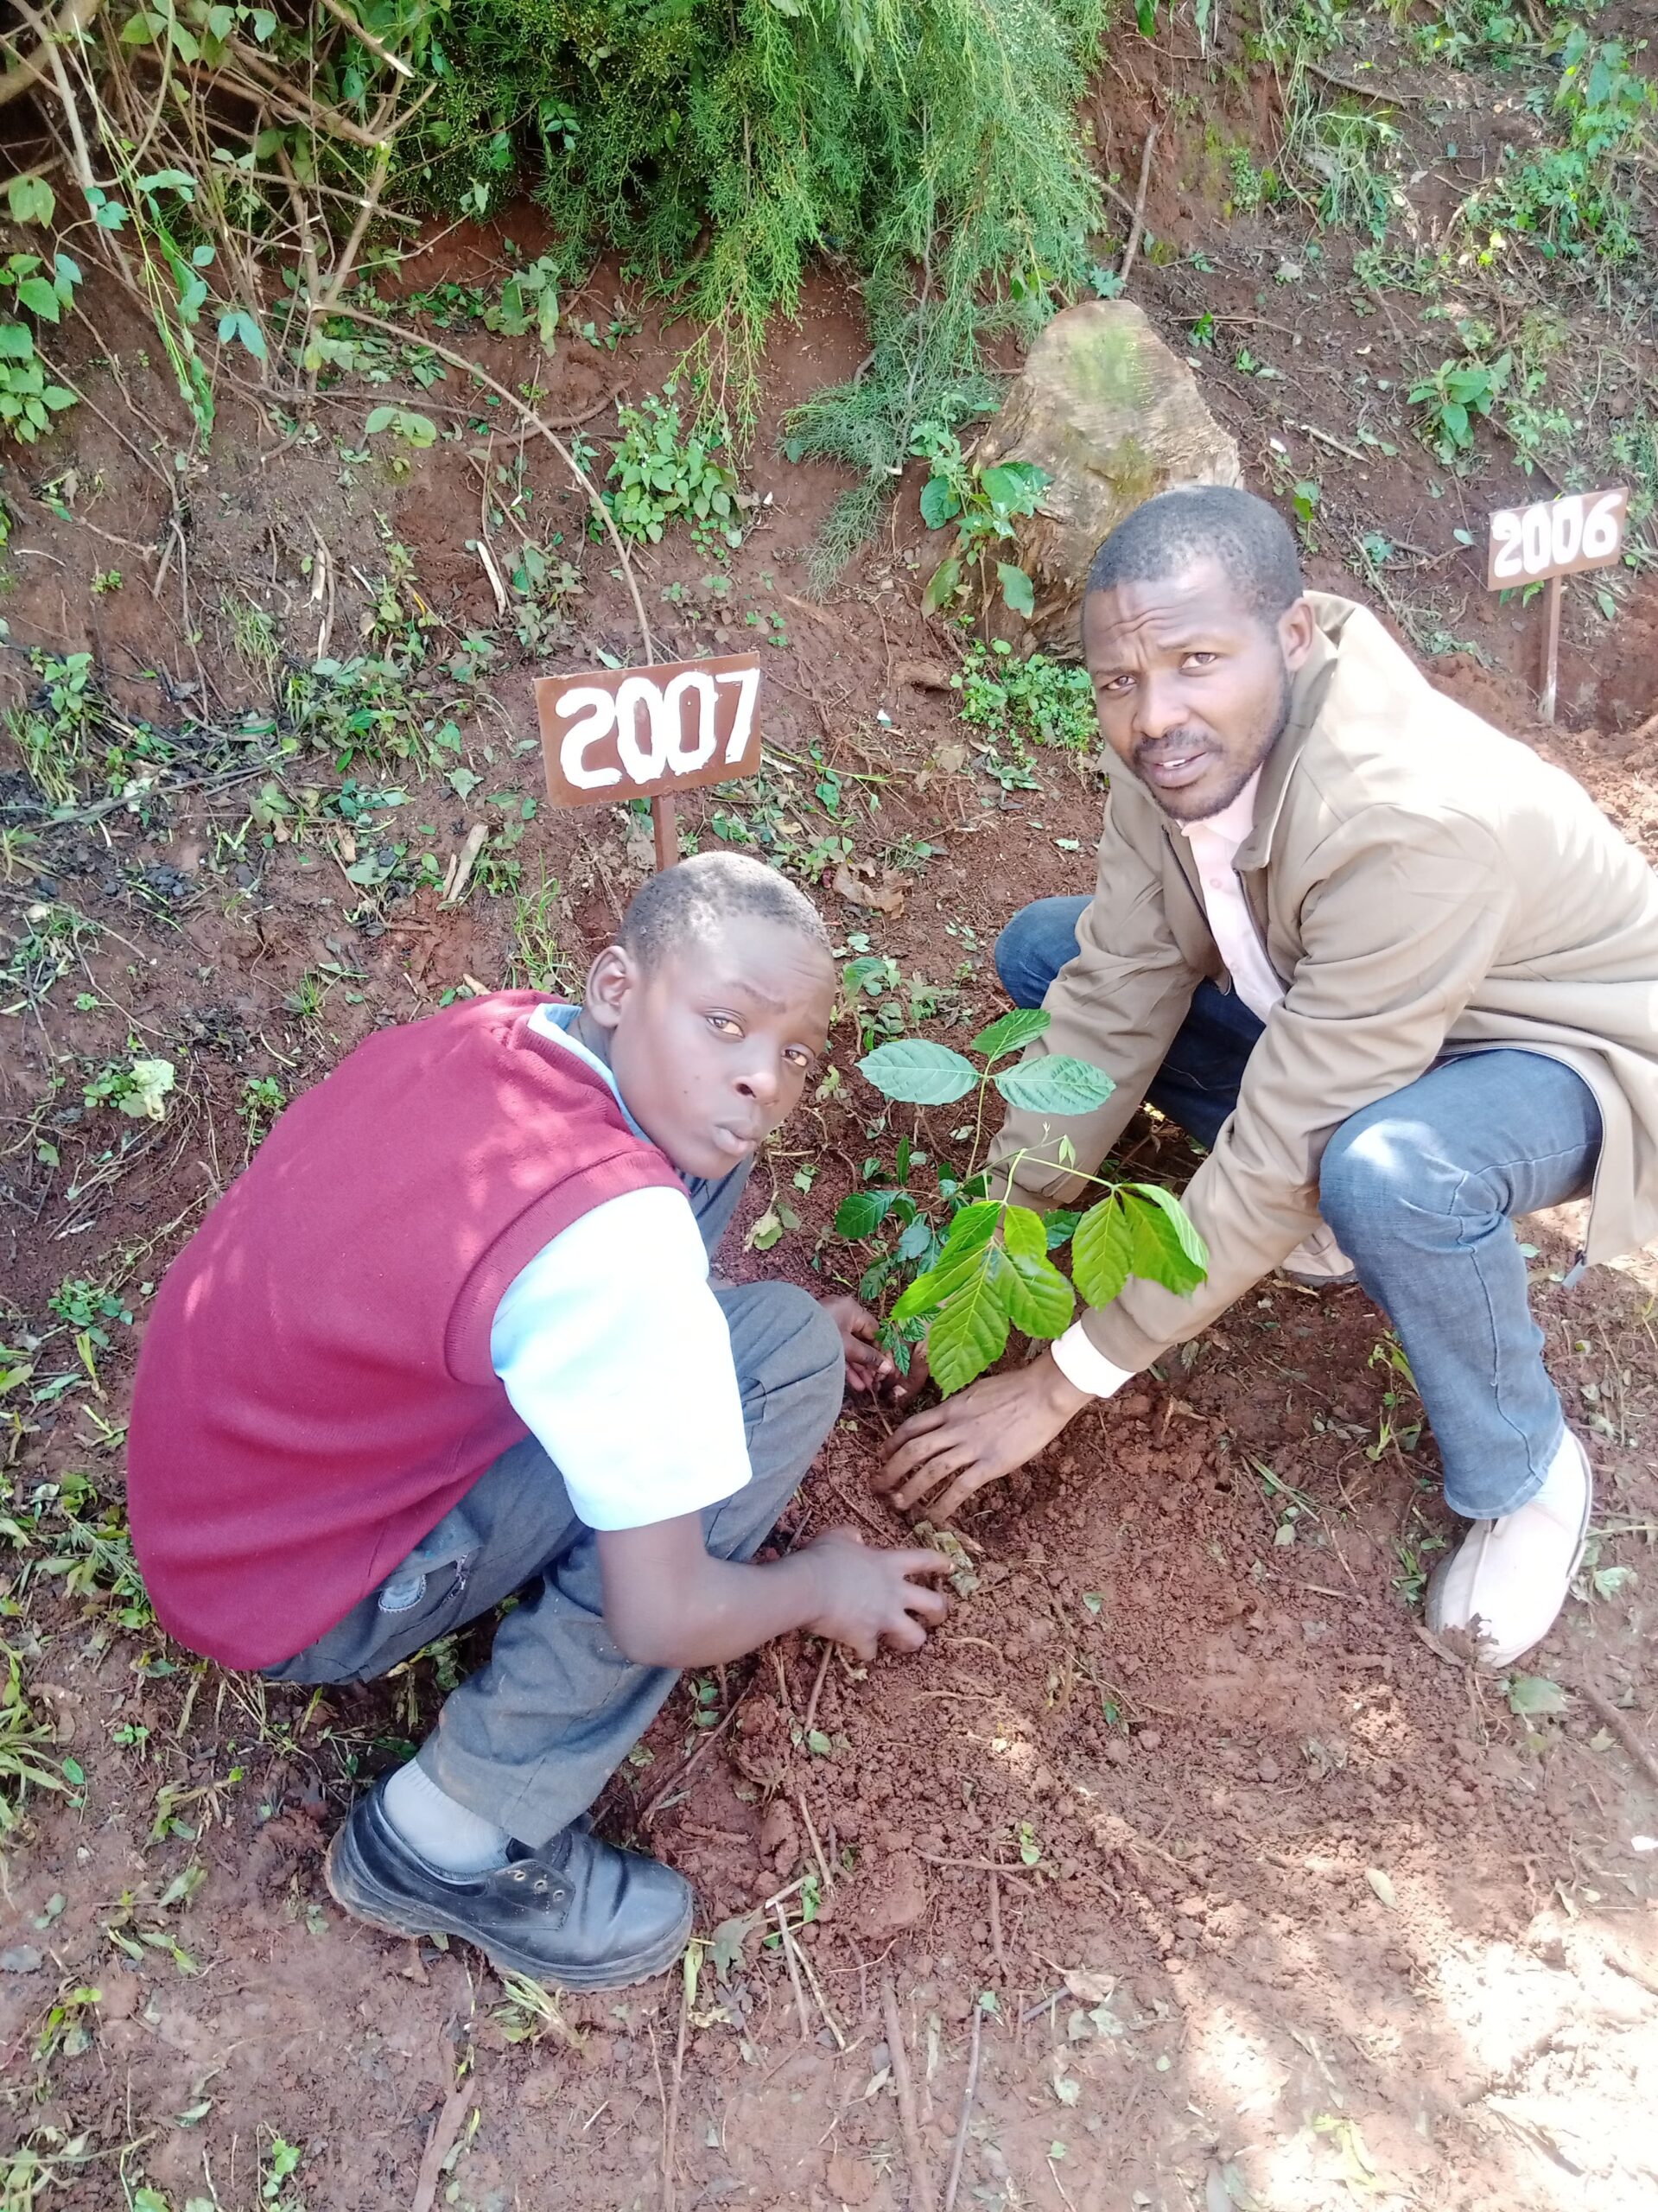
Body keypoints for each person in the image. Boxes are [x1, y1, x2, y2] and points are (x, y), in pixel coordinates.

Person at [128, 852, 949, 1990]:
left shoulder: (501, 1033)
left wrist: (667, 1316)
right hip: (291, 1589)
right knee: (787, 1363)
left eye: (795, 1051)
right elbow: (662, 1613)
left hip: (218, 1496)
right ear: (617, 987)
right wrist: (825, 1585)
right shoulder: (617, 1248)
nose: (765, 1077)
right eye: (726, 1022)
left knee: (713, 1233)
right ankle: (443, 1839)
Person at [880, 484, 1658, 1670]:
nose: (1155, 719)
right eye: (1120, 683)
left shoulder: (1408, 820)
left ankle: (1528, 1470)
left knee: (1380, 1169)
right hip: (1365, 1006)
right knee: (1053, 950)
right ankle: (1340, 1218)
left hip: (1571, 1049)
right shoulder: (1177, 753)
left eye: (1198, 662)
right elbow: (1114, 996)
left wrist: (1055, 1385)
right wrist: (987, 1247)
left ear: (1291, 638)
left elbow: (1287, 1144)